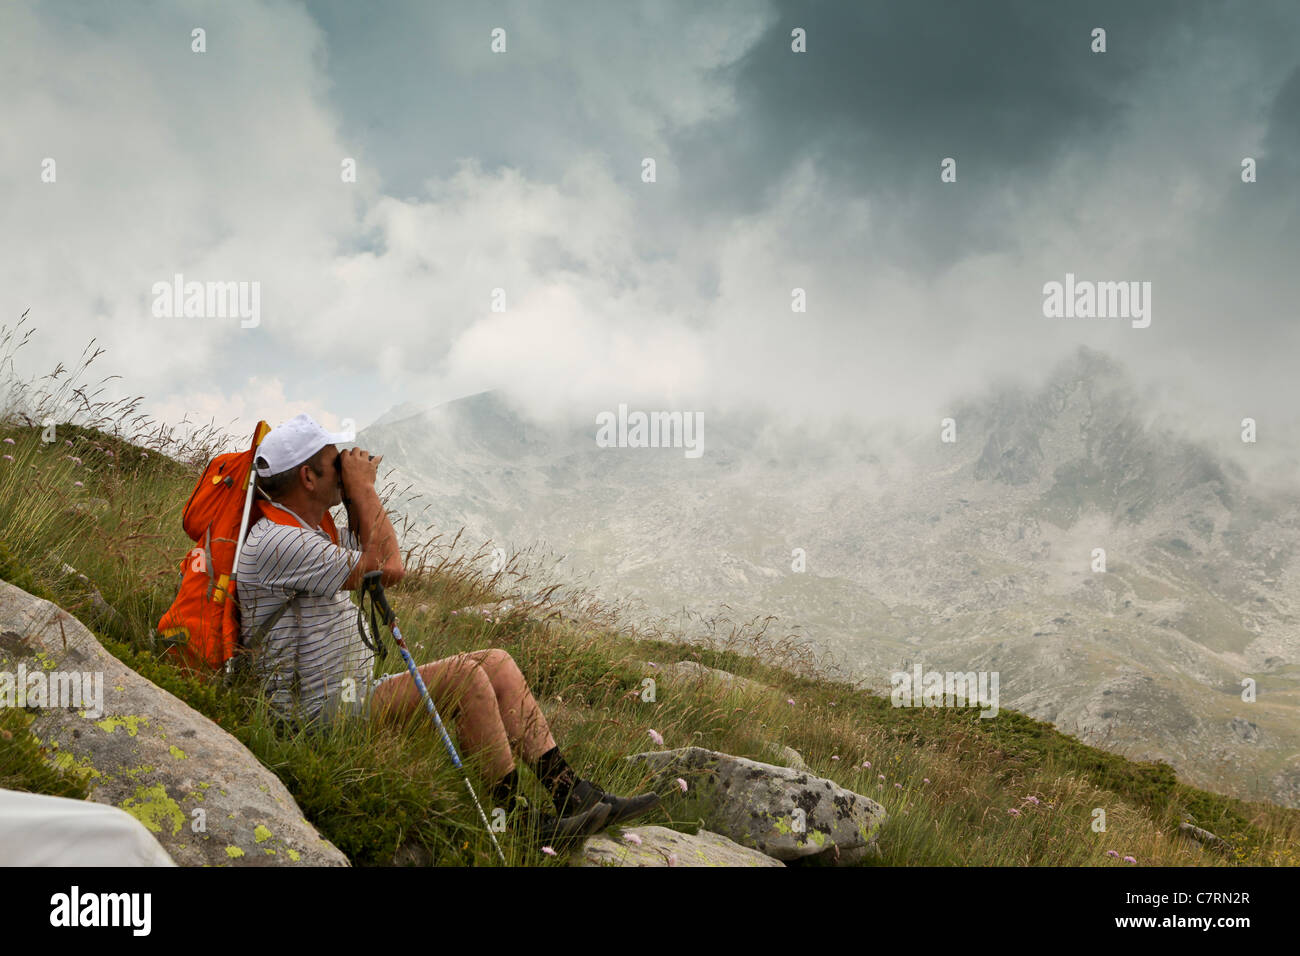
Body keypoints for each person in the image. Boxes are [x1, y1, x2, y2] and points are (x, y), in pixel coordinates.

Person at [235, 413, 658, 843]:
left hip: (351, 692)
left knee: (496, 662)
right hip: (314, 716)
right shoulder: (278, 541)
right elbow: (389, 568)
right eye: (334, 460)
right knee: (465, 678)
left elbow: (374, 549)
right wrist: (362, 487)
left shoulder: (309, 531)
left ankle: (572, 794)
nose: (346, 463)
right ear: (308, 476)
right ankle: (517, 825)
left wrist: (352, 495)